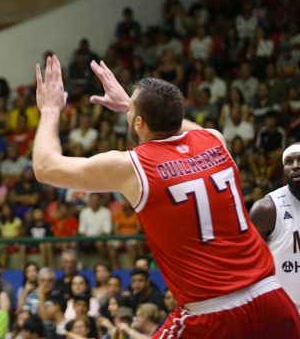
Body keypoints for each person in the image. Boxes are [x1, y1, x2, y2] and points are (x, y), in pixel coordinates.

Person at [31, 55, 300, 338]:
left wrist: (49, 110)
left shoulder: (133, 167)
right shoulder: (215, 140)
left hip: (211, 313)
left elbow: (45, 167)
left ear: (139, 123)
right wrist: (130, 106)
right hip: (271, 299)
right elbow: (175, 123)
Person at [250, 143, 300, 311]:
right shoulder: (267, 209)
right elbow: (251, 265)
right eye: (289, 162)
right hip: (282, 309)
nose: (295, 166)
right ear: (283, 169)